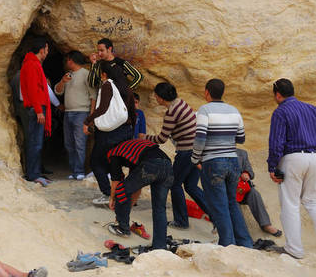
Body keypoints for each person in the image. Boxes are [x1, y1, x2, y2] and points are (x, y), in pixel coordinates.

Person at [267, 78, 316, 259]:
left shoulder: (280, 111)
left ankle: (294, 249)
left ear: (277, 94)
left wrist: (272, 166)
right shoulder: (312, 109)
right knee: (313, 201)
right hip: (314, 157)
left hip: (292, 158)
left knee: (291, 204)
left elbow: (277, 142)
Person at [191, 79, 252, 248]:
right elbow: (241, 138)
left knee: (219, 205)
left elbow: (200, 137)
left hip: (213, 161)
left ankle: (228, 244)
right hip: (233, 161)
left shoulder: (204, 110)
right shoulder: (234, 110)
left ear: (207, 92)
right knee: (232, 202)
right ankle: (246, 243)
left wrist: (195, 158)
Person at [144, 82, 211, 230]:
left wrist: (145, 137)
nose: (155, 98)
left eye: (156, 95)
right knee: (191, 186)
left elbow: (161, 138)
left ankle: (181, 221)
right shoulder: (181, 103)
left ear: (161, 98)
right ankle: (215, 216)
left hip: (186, 151)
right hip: (197, 150)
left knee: (174, 184)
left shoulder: (171, 112)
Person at [84, 60, 136, 205]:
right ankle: (122, 195)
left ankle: (108, 193)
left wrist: (88, 120)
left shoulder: (107, 86)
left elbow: (103, 108)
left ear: (105, 74)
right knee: (116, 163)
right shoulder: (127, 88)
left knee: (96, 162)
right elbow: (133, 113)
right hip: (125, 130)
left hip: (109, 133)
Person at [106, 139, 174, 249]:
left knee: (121, 189)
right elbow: (136, 187)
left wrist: (112, 199)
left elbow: (116, 181)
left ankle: (122, 228)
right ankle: (159, 246)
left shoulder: (113, 153)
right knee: (160, 208)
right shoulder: (132, 150)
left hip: (152, 165)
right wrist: (126, 209)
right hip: (168, 166)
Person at [54, 51, 96, 180]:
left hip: (81, 113)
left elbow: (93, 96)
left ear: (71, 60)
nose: (66, 63)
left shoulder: (86, 74)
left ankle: (79, 171)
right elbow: (57, 91)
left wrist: (91, 116)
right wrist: (63, 81)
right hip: (68, 113)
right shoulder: (68, 75)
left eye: (67, 60)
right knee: (69, 144)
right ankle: (74, 171)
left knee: (80, 143)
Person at [20, 37, 52, 186]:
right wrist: (39, 111)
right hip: (36, 108)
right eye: (47, 49)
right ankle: (33, 175)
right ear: (41, 50)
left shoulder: (32, 63)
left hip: (36, 107)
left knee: (36, 142)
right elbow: (33, 89)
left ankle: (36, 173)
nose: (48, 52)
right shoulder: (32, 65)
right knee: (35, 142)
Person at [235, 148, 282, 237]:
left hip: (241, 189)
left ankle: (266, 225)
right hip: (228, 190)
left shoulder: (242, 153)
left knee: (254, 193)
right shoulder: (219, 153)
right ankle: (242, 232)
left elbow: (250, 172)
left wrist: (247, 174)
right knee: (233, 202)